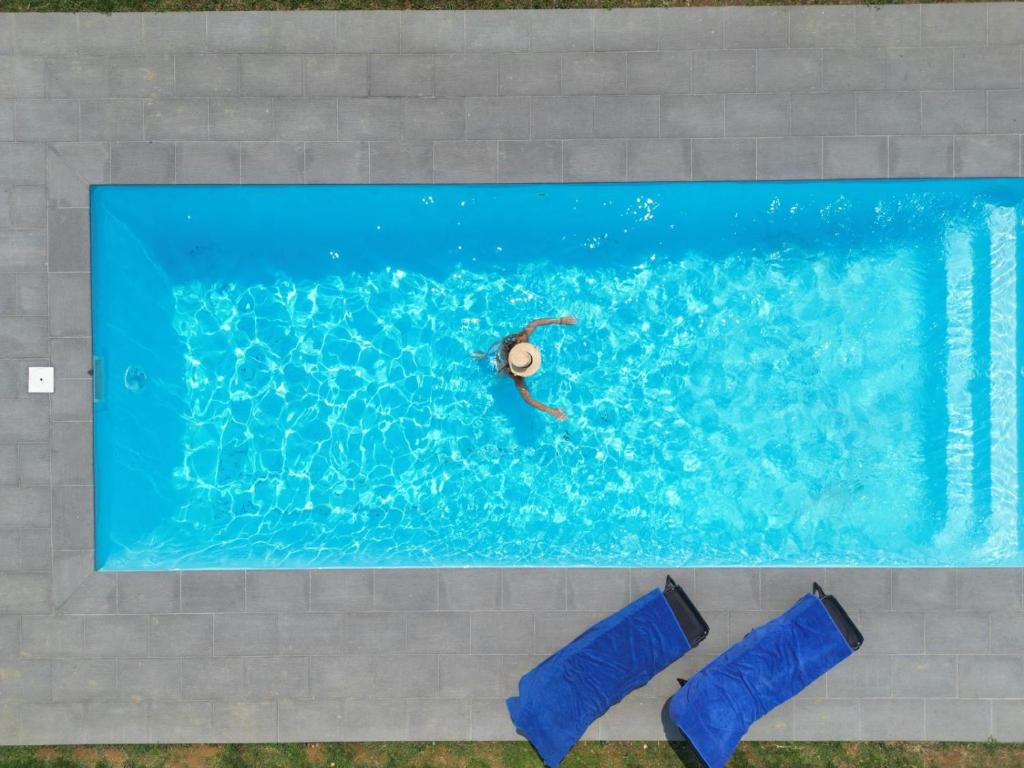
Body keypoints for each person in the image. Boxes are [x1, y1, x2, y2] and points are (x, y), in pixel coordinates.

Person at [474, 316, 577, 420]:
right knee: (497, 372)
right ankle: (480, 357)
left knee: (484, 357)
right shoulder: (516, 376)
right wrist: (553, 411)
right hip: (498, 366)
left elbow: (535, 323)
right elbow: (528, 399)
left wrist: (560, 320)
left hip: (496, 348)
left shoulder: (519, 339)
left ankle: (479, 355)